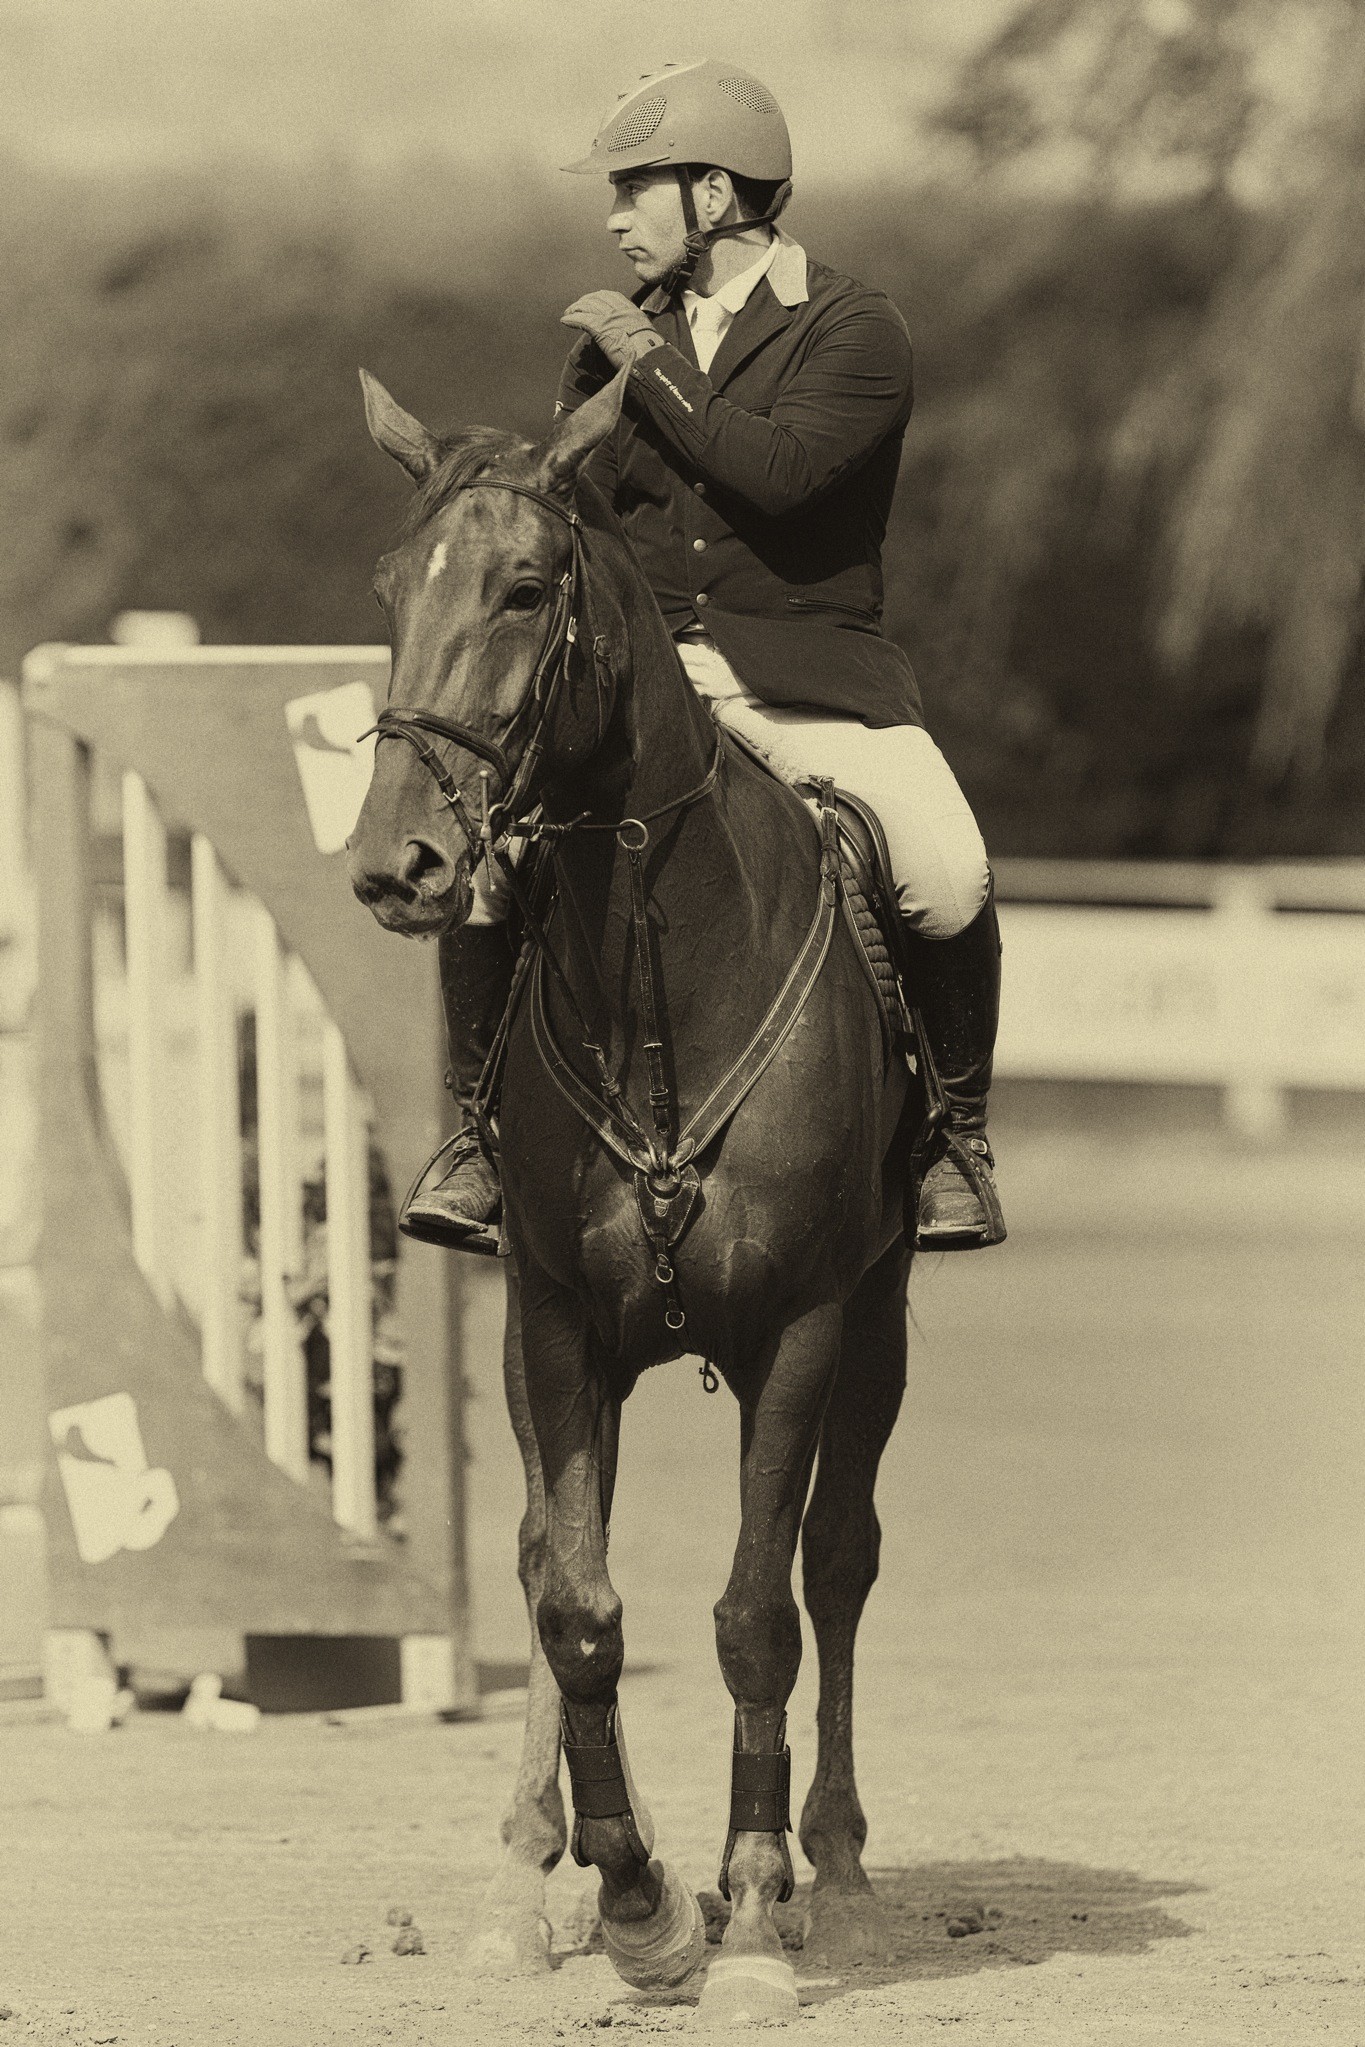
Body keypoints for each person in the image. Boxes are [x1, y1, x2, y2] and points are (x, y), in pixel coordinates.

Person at [401, 58, 1005, 1256]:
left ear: (715, 194)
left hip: (809, 680)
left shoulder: (853, 328)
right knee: (489, 861)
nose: (613, 218)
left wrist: (649, 359)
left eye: (635, 189)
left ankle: (954, 1141)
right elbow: (582, 519)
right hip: (640, 689)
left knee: (950, 869)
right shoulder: (615, 344)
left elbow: (779, 476)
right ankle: (475, 1137)